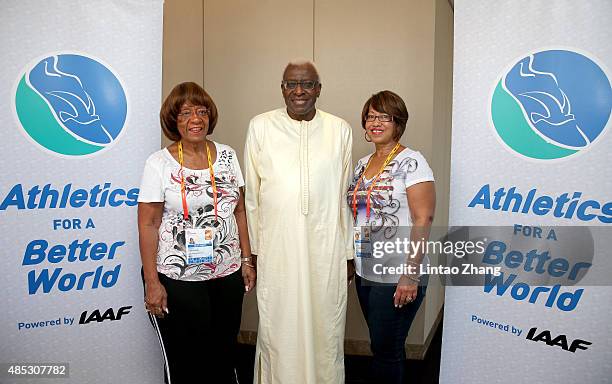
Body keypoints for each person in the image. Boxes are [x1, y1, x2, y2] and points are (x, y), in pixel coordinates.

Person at [137, 82, 256, 384]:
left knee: (223, 353)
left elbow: (239, 210)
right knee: (187, 360)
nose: (196, 119)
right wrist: (152, 282)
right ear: (173, 120)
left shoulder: (227, 155)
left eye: (201, 111)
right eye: (186, 112)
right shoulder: (159, 163)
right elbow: (148, 224)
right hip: (179, 279)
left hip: (227, 274)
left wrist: (246, 259)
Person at [244, 60, 354, 384]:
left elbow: (345, 197)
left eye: (307, 84)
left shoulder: (340, 129)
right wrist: (253, 252)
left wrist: (348, 252)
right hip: (277, 248)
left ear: (319, 89)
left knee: (325, 326)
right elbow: (252, 196)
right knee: (278, 325)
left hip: (326, 248)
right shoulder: (260, 126)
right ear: (282, 88)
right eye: (291, 84)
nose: (299, 91)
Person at [348, 90, 435, 384]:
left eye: (384, 117)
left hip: (398, 274)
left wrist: (410, 275)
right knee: (380, 345)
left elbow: (424, 218)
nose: (376, 122)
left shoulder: (412, 162)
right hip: (366, 272)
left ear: (398, 123)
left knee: (387, 351)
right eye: (370, 116)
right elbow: (360, 217)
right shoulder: (361, 166)